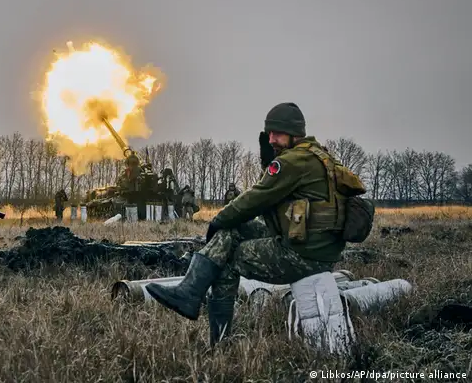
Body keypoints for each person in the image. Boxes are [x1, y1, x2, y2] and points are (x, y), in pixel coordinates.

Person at [146, 102, 361, 347]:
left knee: (227, 260)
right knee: (232, 231)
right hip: (317, 247)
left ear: (293, 133)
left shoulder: (292, 161)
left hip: (303, 256)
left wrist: (218, 220)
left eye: (276, 133)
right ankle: (189, 291)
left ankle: (217, 338)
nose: (271, 139)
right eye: (269, 133)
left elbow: (255, 198)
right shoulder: (319, 155)